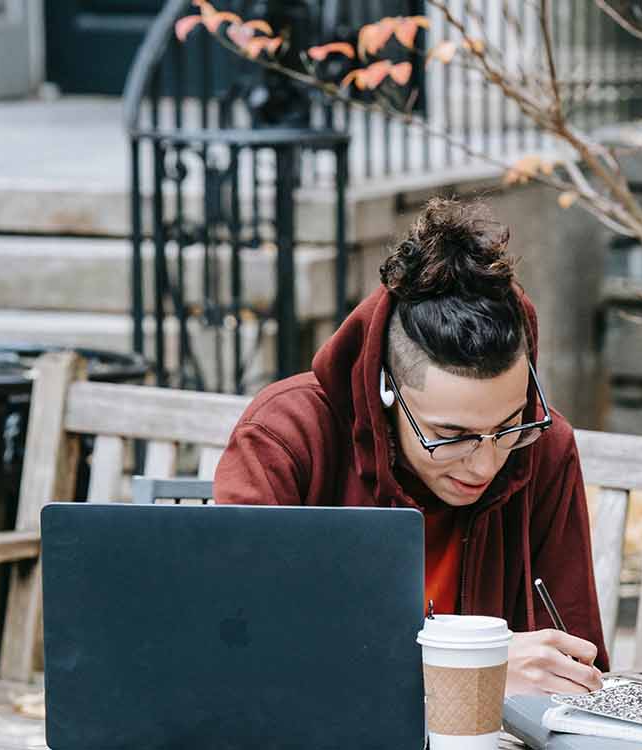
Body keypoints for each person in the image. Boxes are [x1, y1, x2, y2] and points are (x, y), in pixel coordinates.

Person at [215, 198, 607, 696]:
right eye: (450, 436)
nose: (485, 463)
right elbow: (237, 649)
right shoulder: (287, 438)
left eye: (509, 426)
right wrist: (469, 672)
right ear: (385, 392)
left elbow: (583, 665)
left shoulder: (545, 447)